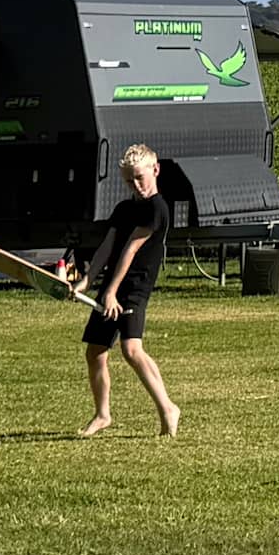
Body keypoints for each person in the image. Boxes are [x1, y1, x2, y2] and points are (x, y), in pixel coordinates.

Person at [80, 143, 183, 437]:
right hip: (111, 286)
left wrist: (111, 292)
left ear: (155, 170)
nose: (135, 185)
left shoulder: (157, 209)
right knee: (95, 351)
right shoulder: (124, 209)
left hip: (134, 288)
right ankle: (102, 415)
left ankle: (168, 408)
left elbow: (131, 250)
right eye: (129, 180)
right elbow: (107, 247)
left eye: (139, 177)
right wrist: (87, 280)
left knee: (131, 349)